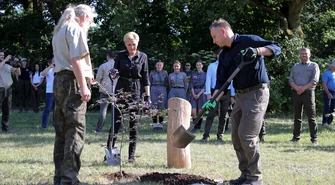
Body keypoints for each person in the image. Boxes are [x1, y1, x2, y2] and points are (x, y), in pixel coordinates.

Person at [203, 18, 281, 185]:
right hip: (239, 96)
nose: (214, 40)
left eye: (214, 36)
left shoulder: (248, 40)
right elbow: (221, 83)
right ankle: (245, 174)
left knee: (247, 135)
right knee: (236, 137)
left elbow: (276, 47)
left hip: (257, 93)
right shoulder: (224, 55)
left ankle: (255, 178)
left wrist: (257, 50)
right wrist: (212, 100)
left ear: (223, 31)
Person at [51, 4, 95, 185]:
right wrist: (84, 86)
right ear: (84, 17)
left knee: (61, 132)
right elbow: (76, 60)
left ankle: (60, 178)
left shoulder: (60, 30)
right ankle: (69, 180)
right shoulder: (75, 29)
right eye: (91, 21)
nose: (90, 25)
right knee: (75, 130)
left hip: (59, 81)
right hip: (72, 83)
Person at [108, 31, 150, 163]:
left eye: (133, 44)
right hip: (121, 89)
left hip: (136, 91)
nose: (132, 47)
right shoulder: (120, 56)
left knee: (134, 124)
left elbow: (145, 77)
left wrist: (147, 96)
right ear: (125, 45)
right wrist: (112, 73)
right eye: (129, 45)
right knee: (116, 123)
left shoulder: (143, 57)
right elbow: (114, 73)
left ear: (137, 43)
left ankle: (131, 156)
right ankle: (109, 154)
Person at [202, 49, 235, 141]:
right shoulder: (212, 66)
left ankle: (220, 135)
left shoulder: (229, 65)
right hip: (214, 92)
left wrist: (232, 95)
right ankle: (206, 135)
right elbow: (208, 80)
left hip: (226, 91)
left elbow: (231, 81)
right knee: (211, 113)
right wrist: (208, 93)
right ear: (217, 55)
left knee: (224, 114)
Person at [289, 48, 319, 146]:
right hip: (297, 93)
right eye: (302, 54)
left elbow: (314, 81)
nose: (304, 55)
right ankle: (295, 138)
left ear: (309, 55)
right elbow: (291, 80)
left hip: (308, 93)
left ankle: (314, 139)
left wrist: (303, 88)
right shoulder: (295, 66)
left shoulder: (314, 65)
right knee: (297, 117)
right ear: (299, 55)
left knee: (311, 117)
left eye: (305, 53)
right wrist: (297, 88)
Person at [93, 50, 117, 134]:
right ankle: (118, 128)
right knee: (117, 110)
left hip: (105, 89)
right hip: (116, 90)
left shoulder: (103, 66)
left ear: (107, 56)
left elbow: (98, 78)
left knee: (103, 110)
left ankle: (99, 129)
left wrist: (98, 84)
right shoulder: (118, 65)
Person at [0, 50, 21, 133]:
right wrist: (5, 59)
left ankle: (5, 127)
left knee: (7, 109)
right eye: (0, 55)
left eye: (3, 55)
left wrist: (17, 64)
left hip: (8, 89)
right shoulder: (2, 64)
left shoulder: (7, 66)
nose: (2, 56)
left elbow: (18, 73)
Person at [149, 60, 168, 130]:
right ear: (155, 65)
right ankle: (154, 124)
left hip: (162, 88)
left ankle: (160, 124)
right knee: (154, 106)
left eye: (160, 65)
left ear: (162, 66)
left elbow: (167, 83)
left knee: (162, 107)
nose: (159, 66)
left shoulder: (165, 73)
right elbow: (149, 82)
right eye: (158, 65)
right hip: (154, 89)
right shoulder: (152, 73)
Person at [190, 60, 206, 133]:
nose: (198, 66)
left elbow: (205, 85)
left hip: (201, 92)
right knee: (193, 111)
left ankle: (198, 127)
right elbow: (191, 85)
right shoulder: (193, 74)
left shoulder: (205, 74)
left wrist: (199, 94)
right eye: (197, 65)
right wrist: (193, 93)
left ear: (202, 65)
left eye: (200, 65)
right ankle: (194, 125)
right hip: (194, 92)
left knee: (200, 111)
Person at [41, 59, 55, 128]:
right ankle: (44, 125)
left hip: (58, 91)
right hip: (50, 91)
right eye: (54, 61)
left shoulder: (59, 68)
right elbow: (43, 74)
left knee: (57, 109)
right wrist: (50, 67)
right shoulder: (48, 69)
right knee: (48, 109)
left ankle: (55, 124)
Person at [321, 61, 335, 126]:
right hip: (328, 92)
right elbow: (324, 84)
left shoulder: (334, 73)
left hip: (334, 93)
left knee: (333, 108)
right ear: (332, 66)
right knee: (327, 107)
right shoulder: (326, 74)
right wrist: (328, 93)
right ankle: (325, 122)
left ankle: (329, 122)